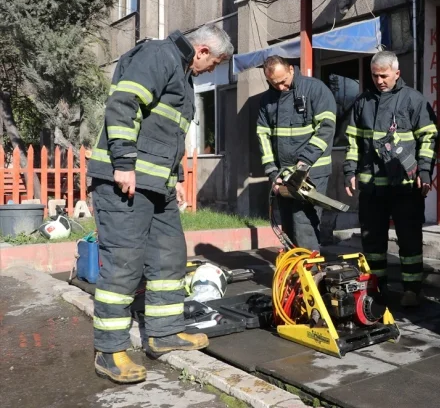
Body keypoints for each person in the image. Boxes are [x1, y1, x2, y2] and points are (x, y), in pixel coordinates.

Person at [86, 24, 234, 384]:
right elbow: (124, 105)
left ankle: (163, 333)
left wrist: (176, 181)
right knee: (123, 264)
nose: (211, 70)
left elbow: (165, 135)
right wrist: (122, 164)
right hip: (124, 181)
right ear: (200, 51)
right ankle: (110, 351)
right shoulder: (158, 55)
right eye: (213, 63)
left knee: (169, 259)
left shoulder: (181, 73)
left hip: (157, 187)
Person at [343, 50, 438, 307]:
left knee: (409, 239)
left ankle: (411, 290)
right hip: (372, 186)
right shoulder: (362, 102)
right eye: (375, 76)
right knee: (372, 242)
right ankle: (376, 288)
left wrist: (426, 172)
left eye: (384, 75)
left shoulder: (414, 100)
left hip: (405, 187)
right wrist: (350, 171)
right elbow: (353, 141)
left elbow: (428, 138)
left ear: (397, 73)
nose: (379, 81)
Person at [256, 55, 337, 251]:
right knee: (289, 225)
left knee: (304, 223)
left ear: (291, 69)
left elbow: (326, 128)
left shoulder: (315, 90)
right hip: (284, 175)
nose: (281, 87)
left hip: (312, 171)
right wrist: (272, 173)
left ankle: (311, 273)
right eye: (275, 84)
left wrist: (305, 162)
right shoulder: (267, 101)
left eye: (283, 81)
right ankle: (296, 272)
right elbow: (263, 137)